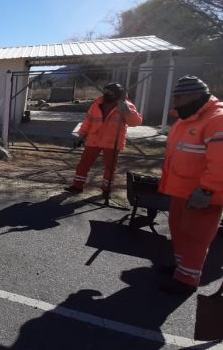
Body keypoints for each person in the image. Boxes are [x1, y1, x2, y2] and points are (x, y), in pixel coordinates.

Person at [158, 76, 223, 294]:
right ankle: (181, 268)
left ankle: (186, 280)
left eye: (179, 97)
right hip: (181, 189)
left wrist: (207, 191)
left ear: (195, 95)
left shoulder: (217, 119)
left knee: (196, 237)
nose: (175, 102)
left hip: (202, 193)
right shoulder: (187, 119)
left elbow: (220, 162)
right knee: (179, 231)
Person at [65, 83, 142, 197]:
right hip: (94, 139)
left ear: (117, 94)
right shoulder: (97, 103)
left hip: (112, 141)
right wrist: (81, 135)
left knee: (110, 168)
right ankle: (77, 186)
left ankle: (106, 189)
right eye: (104, 92)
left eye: (109, 93)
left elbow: (135, 122)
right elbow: (88, 121)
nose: (106, 95)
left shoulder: (126, 105)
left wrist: (126, 111)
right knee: (84, 163)